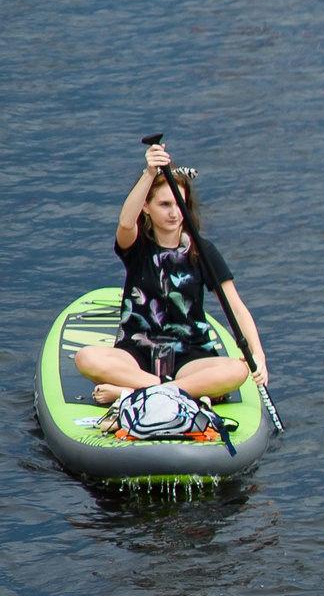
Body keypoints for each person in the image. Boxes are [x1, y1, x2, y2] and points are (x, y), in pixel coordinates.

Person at [76, 141, 270, 407]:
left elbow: (235, 306)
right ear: (146, 207)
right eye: (164, 204)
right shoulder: (135, 247)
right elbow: (125, 222)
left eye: (179, 204)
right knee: (86, 358)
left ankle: (132, 393)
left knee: (238, 370)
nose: (174, 212)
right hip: (137, 354)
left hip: (191, 355)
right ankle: (173, 391)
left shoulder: (202, 251)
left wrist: (258, 355)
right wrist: (149, 173)